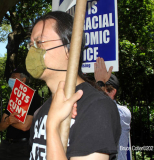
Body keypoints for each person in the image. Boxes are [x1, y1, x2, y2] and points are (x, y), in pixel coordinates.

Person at [25, 11, 121, 160]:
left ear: (70, 50)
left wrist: (52, 126)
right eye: (31, 44)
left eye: (39, 43)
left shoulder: (96, 107)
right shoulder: (40, 112)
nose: (32, 50)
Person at [0, 68, 42, 160]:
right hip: (6, 145)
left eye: (14, 76)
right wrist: (8, 122)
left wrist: (9, 122)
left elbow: (25, 126)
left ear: (23, 80)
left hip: (23, 147)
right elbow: (1, 127)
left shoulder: (34, 98)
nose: (11, 79)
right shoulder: (13, 98)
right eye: (11, 76)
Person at [94, 57, 132, 160]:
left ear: (113, 91)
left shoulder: (123, 113)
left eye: (103, 89)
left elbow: (103, 112)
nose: (98, 92)